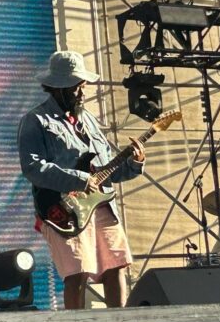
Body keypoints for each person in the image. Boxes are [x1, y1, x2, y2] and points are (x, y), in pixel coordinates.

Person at [17, 51, 146, 309]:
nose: (82, 91)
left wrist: (135, 163)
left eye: (83, 86)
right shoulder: (36, 120)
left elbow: (108, 170)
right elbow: (32, 167)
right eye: (77, 86)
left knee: (116, 265)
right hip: (62, 208)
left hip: (101, 205)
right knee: (77, 272)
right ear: (58, 88)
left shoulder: (88, 120)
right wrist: (78, 179)